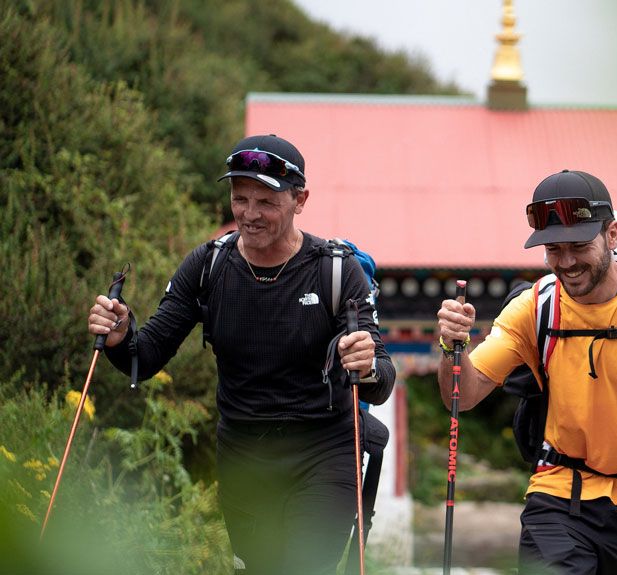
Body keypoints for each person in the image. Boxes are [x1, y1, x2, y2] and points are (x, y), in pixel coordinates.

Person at [87, 134, 395, 574]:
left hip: (324, 453)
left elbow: (382, 378)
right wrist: (119, 335)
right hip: (244, 458)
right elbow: (146, 354)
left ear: (300, 199)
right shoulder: (209, 266)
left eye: (266, 201)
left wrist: (366, 366)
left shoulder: (336, 271)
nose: (250, 215)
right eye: (240, 199)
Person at [436, 169, 617, 574]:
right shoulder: (536, 307)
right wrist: (451, 347)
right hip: (557, 493)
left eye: (578, 246)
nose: (566, 262)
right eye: (553, 250)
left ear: (613, 235)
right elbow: (460, 396)